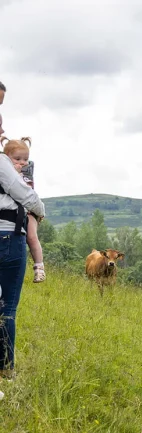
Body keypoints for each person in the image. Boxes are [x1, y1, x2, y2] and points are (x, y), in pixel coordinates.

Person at [0, 134, 45, 377]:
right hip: (8, 237)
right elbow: (26, 196)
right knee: (7, 309)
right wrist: (41, 211)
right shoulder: (5, 166)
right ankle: (6, 369)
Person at [1, 137, 46, 282]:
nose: (22, 162)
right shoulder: (8, 172)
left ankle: (39, 267)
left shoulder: (25, 173)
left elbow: (30, 194)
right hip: (15, 218)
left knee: (32, 236)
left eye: (25, 159)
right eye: (17, 159)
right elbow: (23, 193)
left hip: (27, 212)